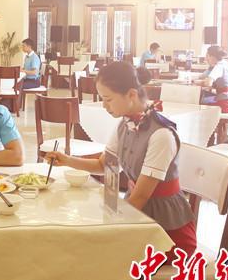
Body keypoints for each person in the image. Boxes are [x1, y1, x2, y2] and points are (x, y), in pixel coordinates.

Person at [45, 61, 196, 257]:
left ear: (131, 94)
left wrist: (109, 228)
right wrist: (66, 160)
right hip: (137, 212)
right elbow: (104, 165)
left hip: (166, 230)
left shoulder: (162, 135)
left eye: (108, 99)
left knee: (92, 252)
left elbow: (141, 196)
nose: (104, 105)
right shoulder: (125, 124)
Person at [194, 45, 228, 143]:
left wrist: (198, 82)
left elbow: (208, 83)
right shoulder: (225, 64)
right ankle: (220, 135)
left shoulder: (219, 66)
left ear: (212, 56)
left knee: (201, 105)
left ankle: (211, 137)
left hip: (226, 103)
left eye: (207, 56)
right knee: (205, 101)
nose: (206, 58)